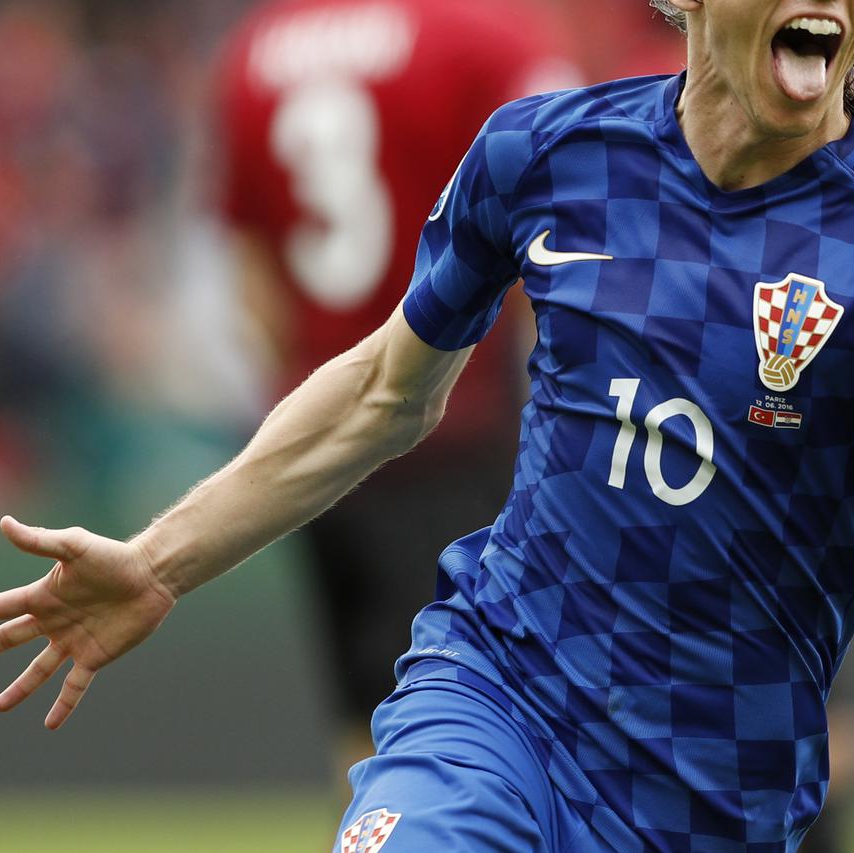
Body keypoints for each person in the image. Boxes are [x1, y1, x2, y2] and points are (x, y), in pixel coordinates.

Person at [0, 0, 854, 850]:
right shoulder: (547, 155)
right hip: (495, 699)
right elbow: (382, 392)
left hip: (709, 797)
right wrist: (158, 561)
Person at [209, 0, 580, 772]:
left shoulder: (253, 53)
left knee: (368, 730)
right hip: (456, 433)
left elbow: (251, 281)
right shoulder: (483, 38)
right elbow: (578, 218)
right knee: (482, 740)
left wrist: (309, 404)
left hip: (315, 441)